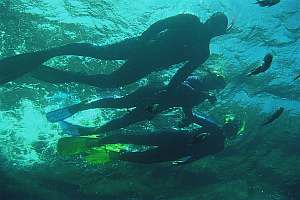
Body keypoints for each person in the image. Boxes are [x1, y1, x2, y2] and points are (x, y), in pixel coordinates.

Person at [0, 12, 229, 91]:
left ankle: (66, 75)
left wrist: (169, 90)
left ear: (218, 31)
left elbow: (182, 74)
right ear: (211, 22)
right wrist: (143, 40)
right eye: (214, 22)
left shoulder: (203, 53)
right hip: (141, 47)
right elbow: (160, 24)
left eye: (216, 26)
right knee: (100, 53)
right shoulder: (191, 21)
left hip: (146, 62)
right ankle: (52, 52)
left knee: (112, 82)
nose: (212, 26)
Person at [49, 73, 226, 136]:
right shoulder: (195, 80)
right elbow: (181, 86)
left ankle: (90, 131)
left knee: (125, 121)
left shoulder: (202, 96)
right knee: (118, 103)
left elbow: (186, 107)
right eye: (214, 79)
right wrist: (203, 94)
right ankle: (80, 106)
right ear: (208, 76)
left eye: (216, 84)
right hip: (151, 93)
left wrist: (188, 120)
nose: (212, 82)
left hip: (155, 107)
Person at [58, 114, 240, 165]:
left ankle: (110, 151)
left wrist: (185, 162)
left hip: (174, 146)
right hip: (172, 141)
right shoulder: (216, 136)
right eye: (228, 127)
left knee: (142, 157)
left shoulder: (219, 145)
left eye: (229, 128)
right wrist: (186, 161)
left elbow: (194, 117)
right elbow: (194, 117)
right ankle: (96, 143)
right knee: (136, 141)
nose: (226, 130)